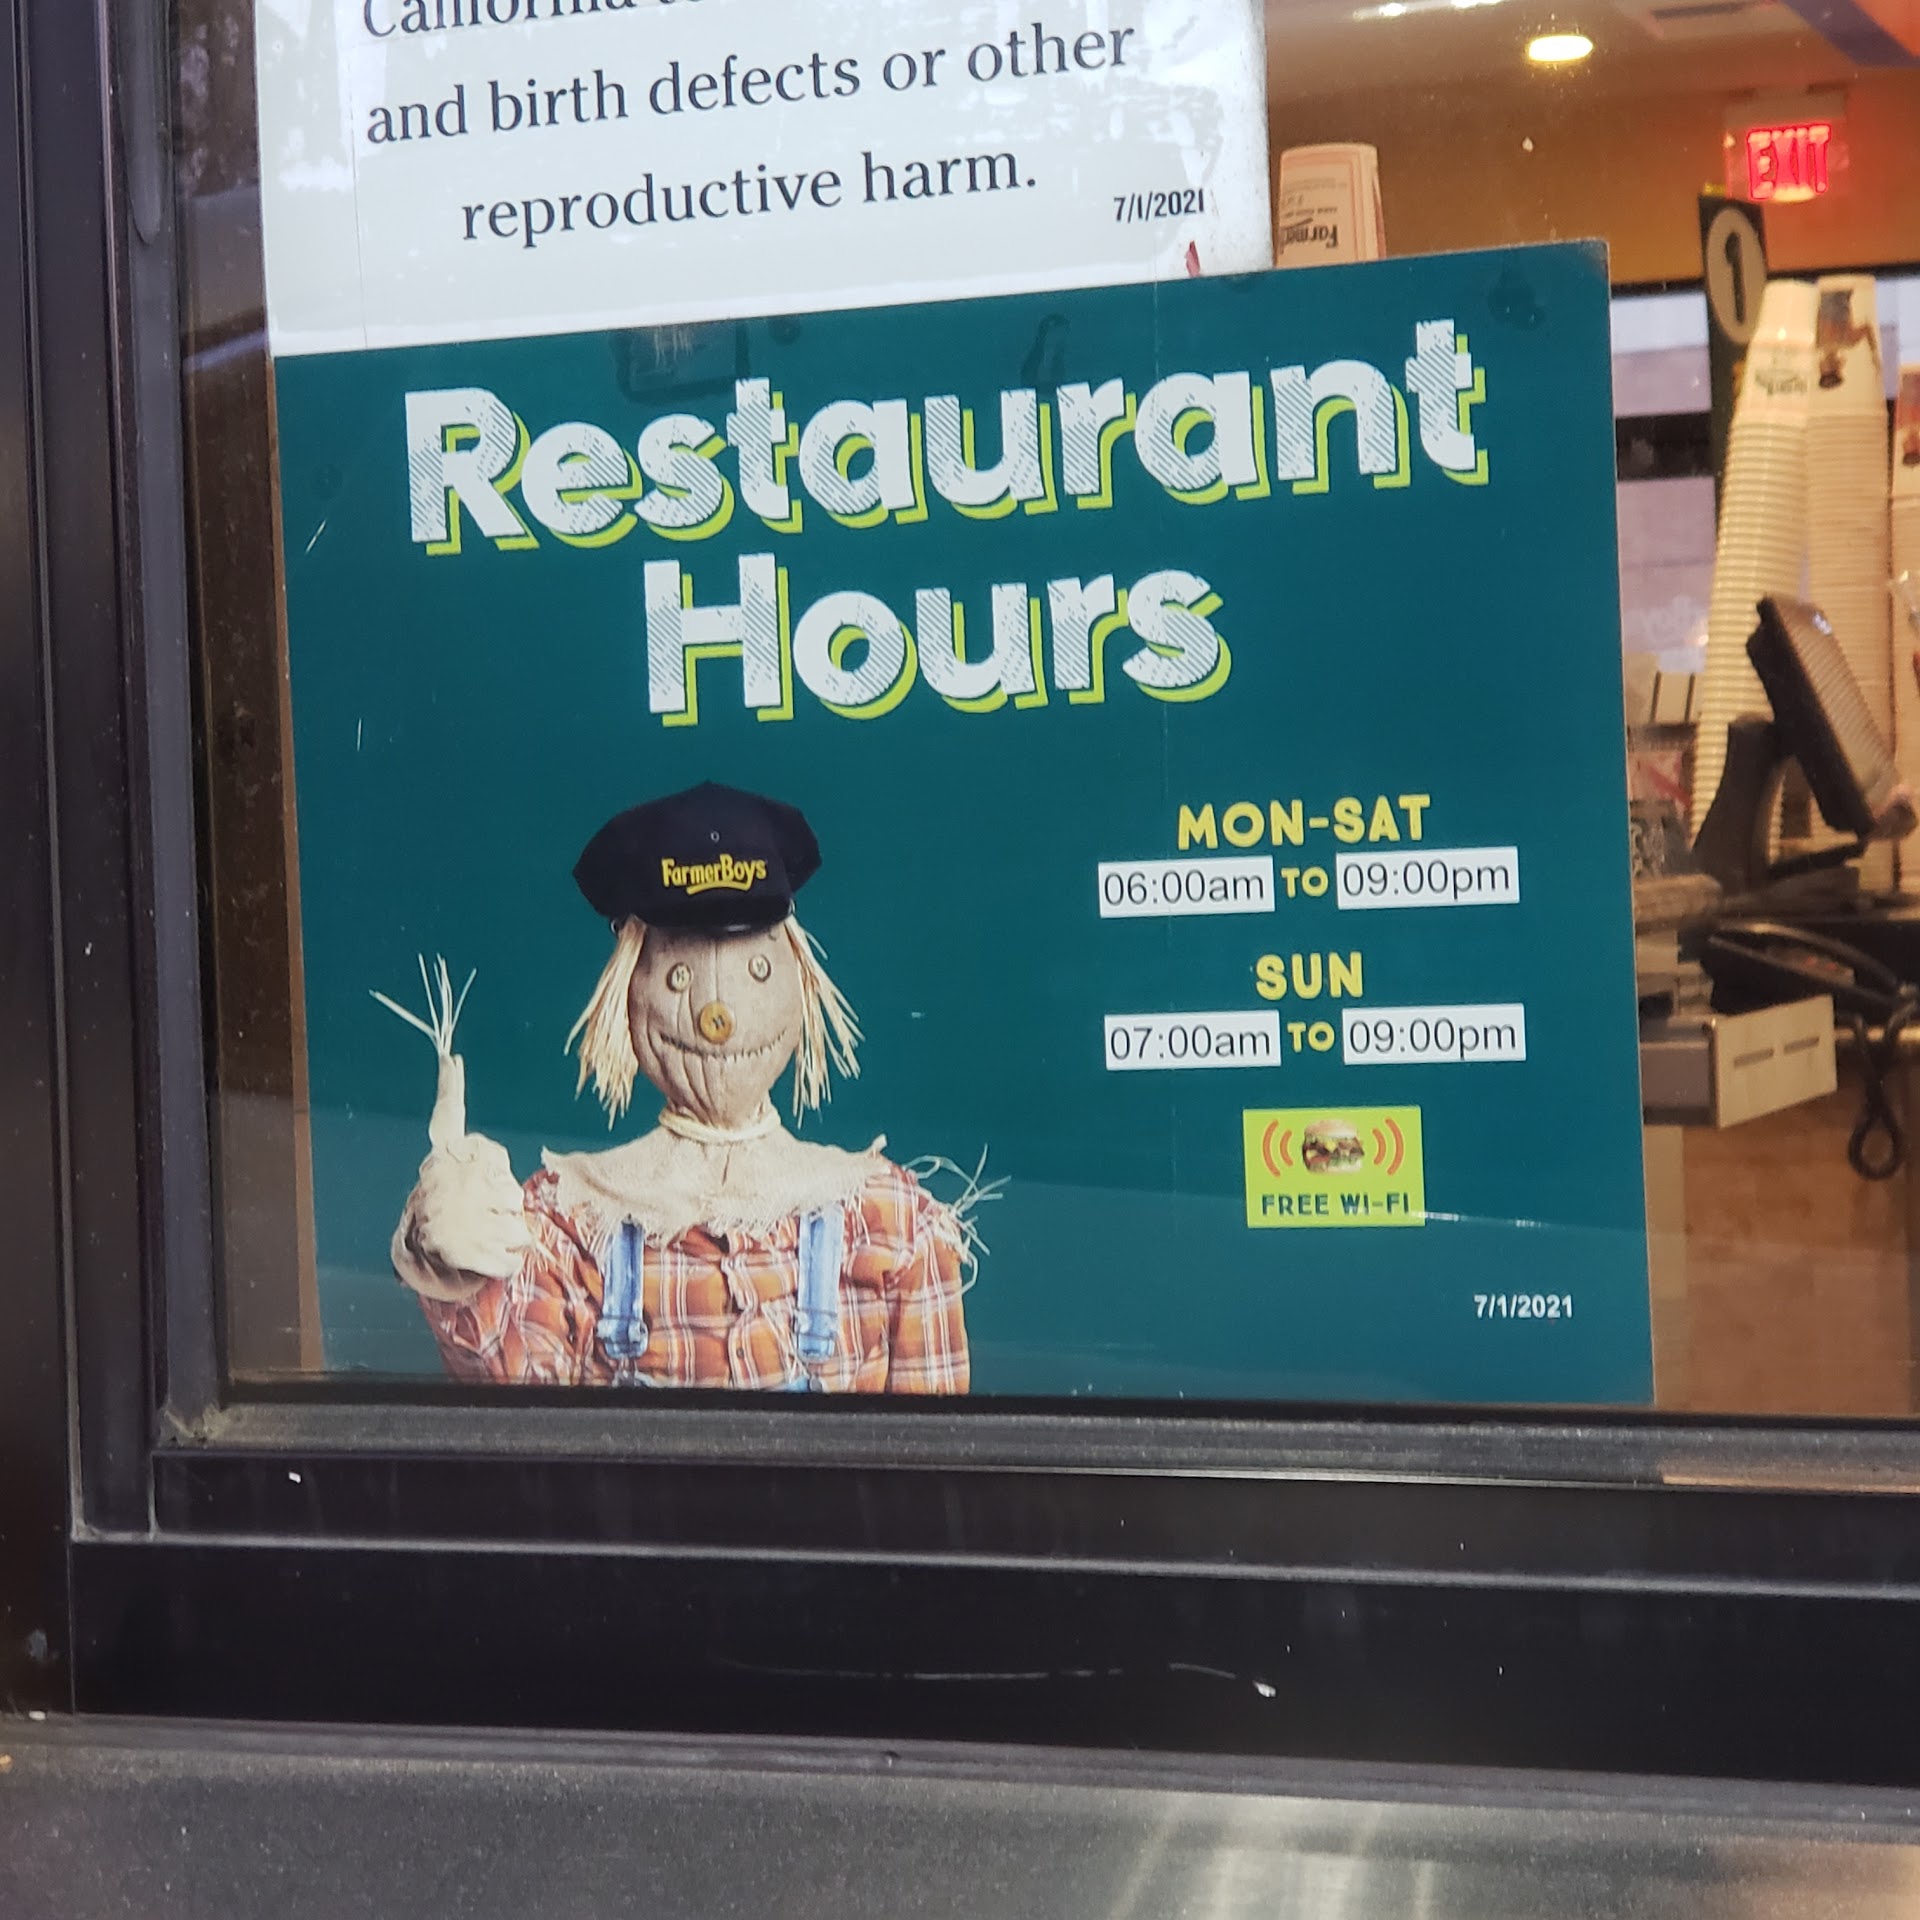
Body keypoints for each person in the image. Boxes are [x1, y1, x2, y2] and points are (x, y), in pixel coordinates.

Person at [387, 782, 973, 1391]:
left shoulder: (888, 1221)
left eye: (757, 970)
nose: (717, 1017)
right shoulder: (572, 1222)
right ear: (626, 991)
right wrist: (461, 1276)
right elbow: (520, 1404)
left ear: (800, 979)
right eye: (677, 976)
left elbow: (933, 1444)